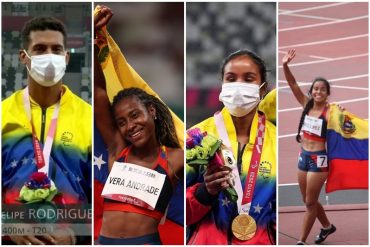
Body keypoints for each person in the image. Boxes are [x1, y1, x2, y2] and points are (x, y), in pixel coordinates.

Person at [94, 6, 184, 245]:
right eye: (122, 122)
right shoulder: (117, 150)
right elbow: (99, 91)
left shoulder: (176, 158)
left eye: (135, 115)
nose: (130, 126)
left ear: (151, 111)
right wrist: (92, 41)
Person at [2, 17, 92, 244]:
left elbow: (102, 196)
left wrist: (75, 234)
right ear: (24, 56)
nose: (49, 56)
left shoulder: (90, 119)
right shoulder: (3, 115)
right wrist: (7, 226)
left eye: (56, 49)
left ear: (66, 57)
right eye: (40, 49)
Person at [186, 50, 276, 245]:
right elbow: (177, 211)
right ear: (222, 86)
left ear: (263, 89)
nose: (238, 86)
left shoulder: (274, 139)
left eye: (248, 78)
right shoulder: (196, 137)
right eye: (231, 79)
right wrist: (204, 192)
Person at [282, 49, 336, 245]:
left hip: (319, 160)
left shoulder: (332, 112)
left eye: (322, 89)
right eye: (315, 89)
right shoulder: (306, 104)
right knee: (308, 199)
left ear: (327, 93)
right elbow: (293, 84)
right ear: (311, 91)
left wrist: (344, 116)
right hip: (303, 156)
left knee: (309, 203)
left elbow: (348, 128)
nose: (318, 92)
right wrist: (285, 65)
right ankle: (327, 227)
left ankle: (301, 241)